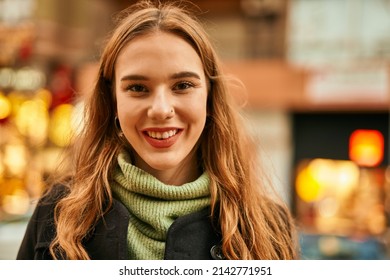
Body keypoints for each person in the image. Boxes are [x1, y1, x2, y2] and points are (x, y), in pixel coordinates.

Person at [17, 0, 298, 260]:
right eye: (138, 88)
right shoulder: (56, 214)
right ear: (113, 101)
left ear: (210, 99)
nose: (161, 109)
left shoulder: (268, 225)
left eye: (183, 86)